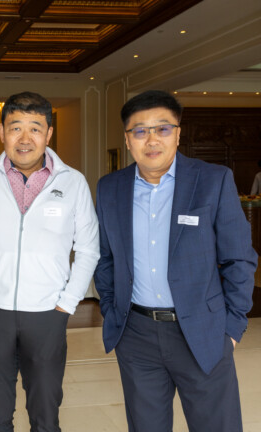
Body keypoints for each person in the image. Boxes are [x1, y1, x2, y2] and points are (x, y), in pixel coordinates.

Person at [94, 90, 257, 432]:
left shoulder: (212, 180)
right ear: (128, 139)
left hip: (203, 331)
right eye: (140, 131)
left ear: (178, 134)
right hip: (136, 335)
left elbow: (239, 258)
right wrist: (111, 309)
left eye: (163, 129)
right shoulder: (110, 187)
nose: (152, 139)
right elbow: (105, 258)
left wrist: (231, 328)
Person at [0, 91, 100, 431]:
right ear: (1, 132)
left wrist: (66, 305)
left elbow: (88, 249)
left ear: (48, 133)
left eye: (35, 129)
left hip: (47, 313)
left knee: (45, 414)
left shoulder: (73, 182)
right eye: (15, 128)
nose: (25, 139)